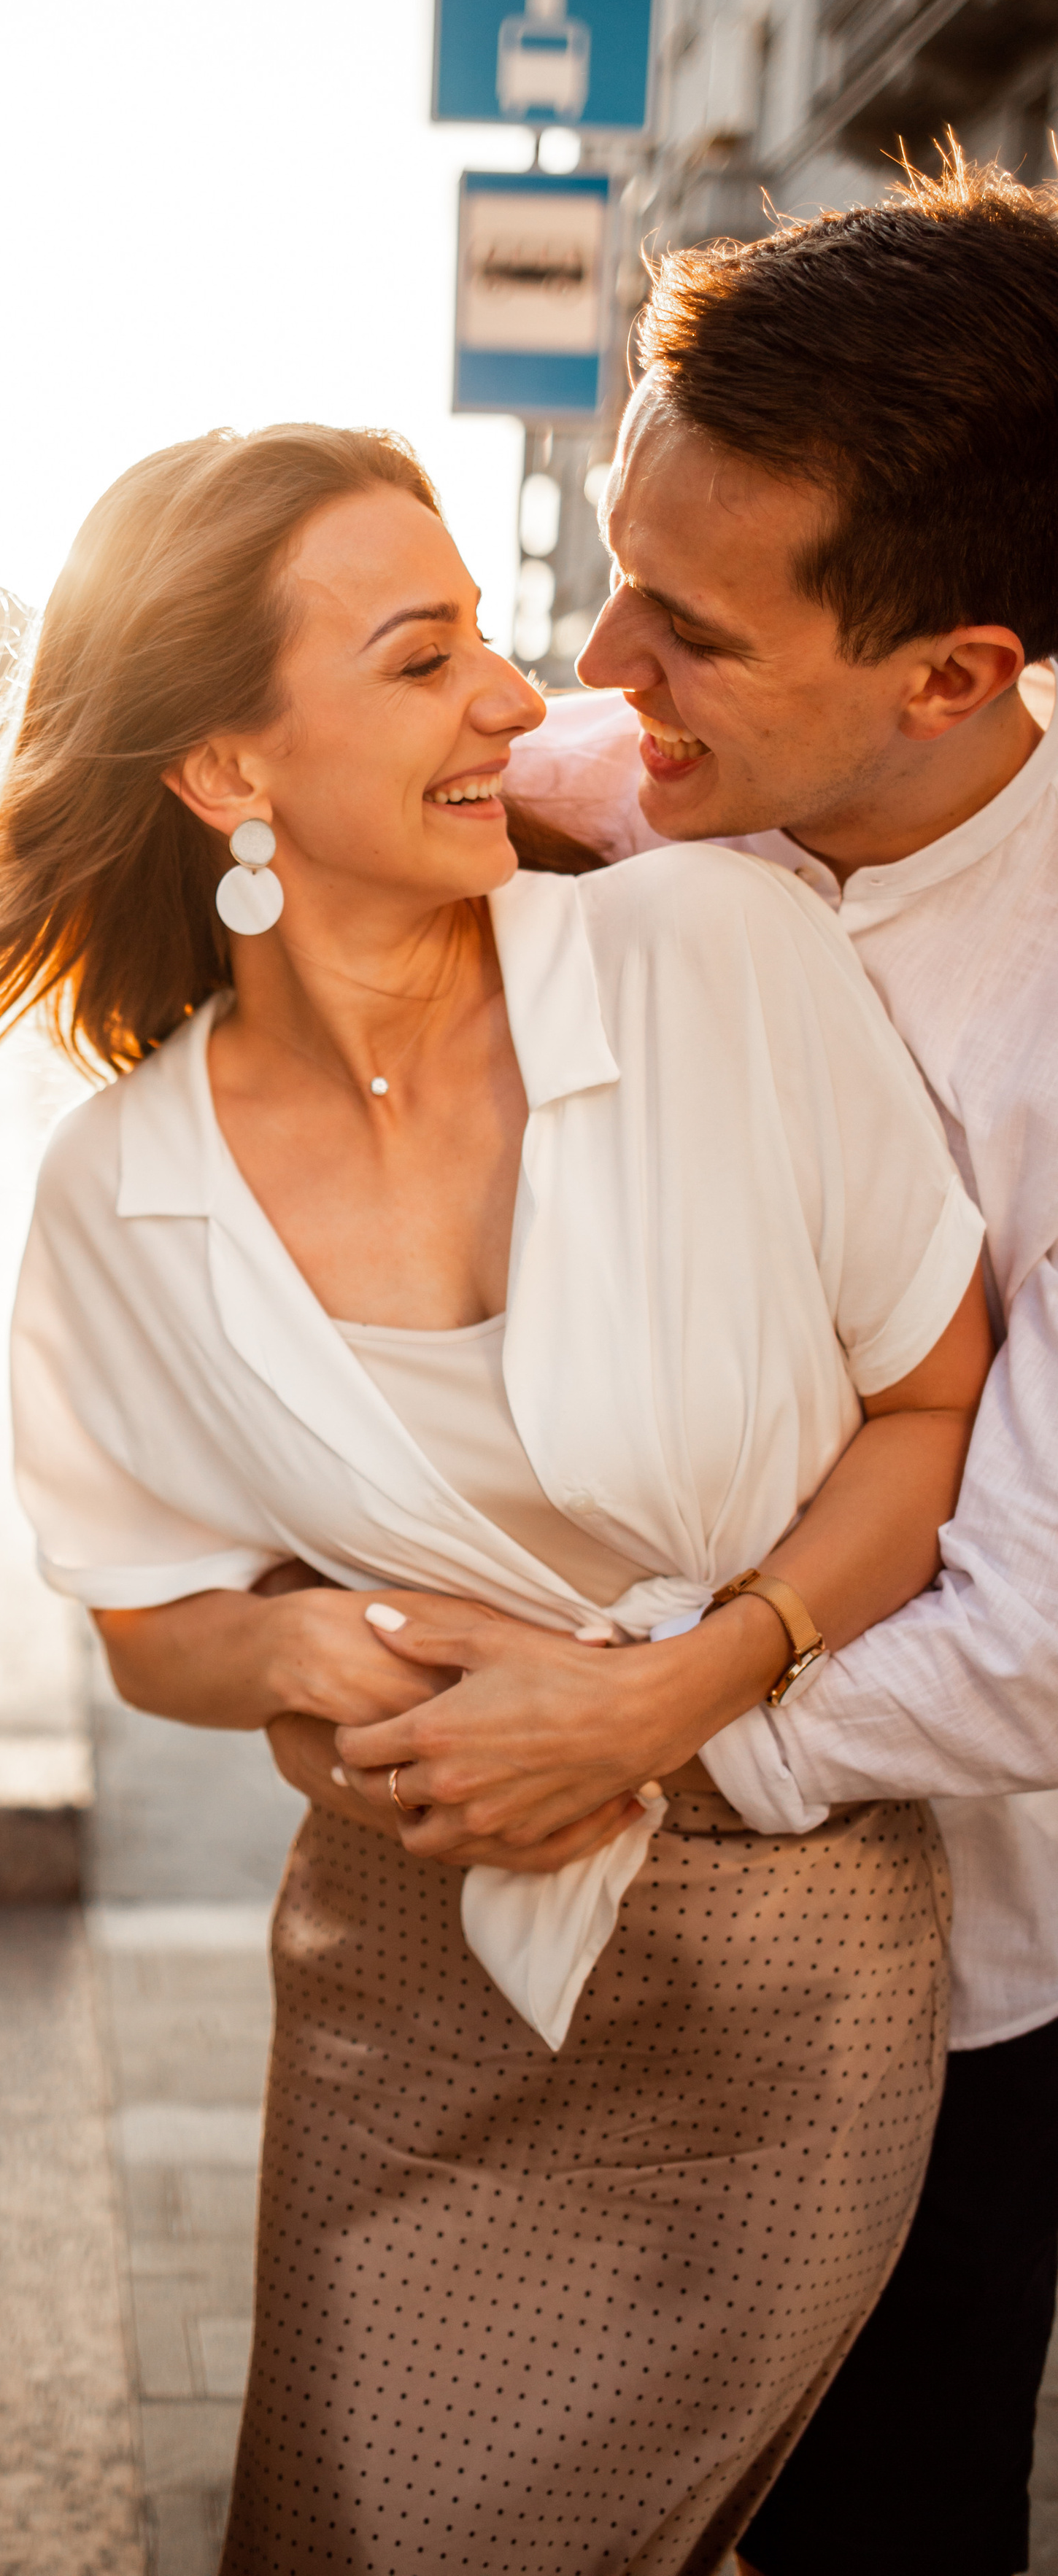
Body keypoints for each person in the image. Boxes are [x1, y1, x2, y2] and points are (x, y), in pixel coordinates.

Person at [0, 420, 990, 2573]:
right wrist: (298, 1652)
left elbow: (932, 1418)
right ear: (229, 772)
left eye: (483, 631)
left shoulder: (719, 965)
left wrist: (677, 1691)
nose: (514, 697)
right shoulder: (126, 1195)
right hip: (414, 1987)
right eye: (421, 659)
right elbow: (149, 1613)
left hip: (785, 1972)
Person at [358, 155, 1058, 2576]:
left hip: (962, 1987)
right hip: (576, 1945)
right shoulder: (627, 796)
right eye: (611, 575)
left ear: (956, 672)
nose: (593, 670)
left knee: (883, 2520)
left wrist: (637, 1731)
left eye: (687, 631)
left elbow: (1045, 1637)